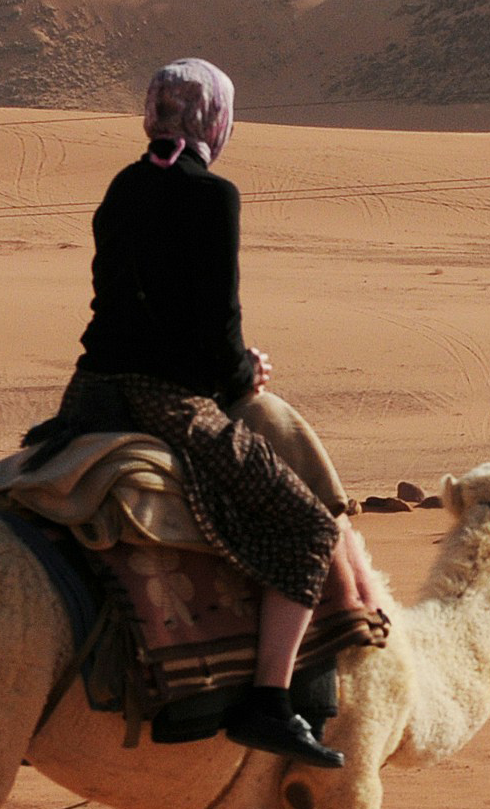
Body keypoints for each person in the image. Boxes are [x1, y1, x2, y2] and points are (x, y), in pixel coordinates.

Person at [29, 56, 350, 769]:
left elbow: (117, 307)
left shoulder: (120, 189)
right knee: (305, 530)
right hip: (164, 399)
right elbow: (215, 327)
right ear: (213, 118)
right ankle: (269, 700)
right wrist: (247, 372)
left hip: (88, 395)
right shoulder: (213, 197)